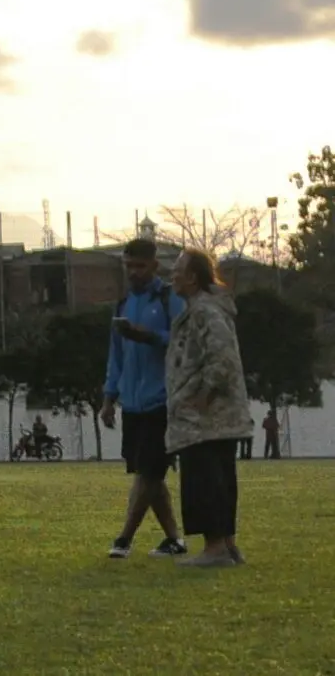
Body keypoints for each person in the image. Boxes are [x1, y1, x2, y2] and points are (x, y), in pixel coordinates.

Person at [166, 248, 255, 568]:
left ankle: (215, 547)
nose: (172, 275)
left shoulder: (205, 311)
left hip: (205, 416)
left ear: (192, 277)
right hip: (218, 416)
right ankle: (228, 546)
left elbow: (222, 357)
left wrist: (202, 396)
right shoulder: (203, 309)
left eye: (177, 269)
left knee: (202, 480)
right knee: (220, 479)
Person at [103, 236, 189, 559]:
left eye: (140, 266)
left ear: (155, 266)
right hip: (133, 404)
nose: (134, 272)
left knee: (149, 472)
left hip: (163, 401)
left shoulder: (169, 299)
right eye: (129, 266)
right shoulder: (123, 305)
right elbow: (116, 357)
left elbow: (183, 341)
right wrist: (109, 397)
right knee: (149, 475)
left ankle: (124, 538)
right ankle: (174, 540)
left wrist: (147, 335)